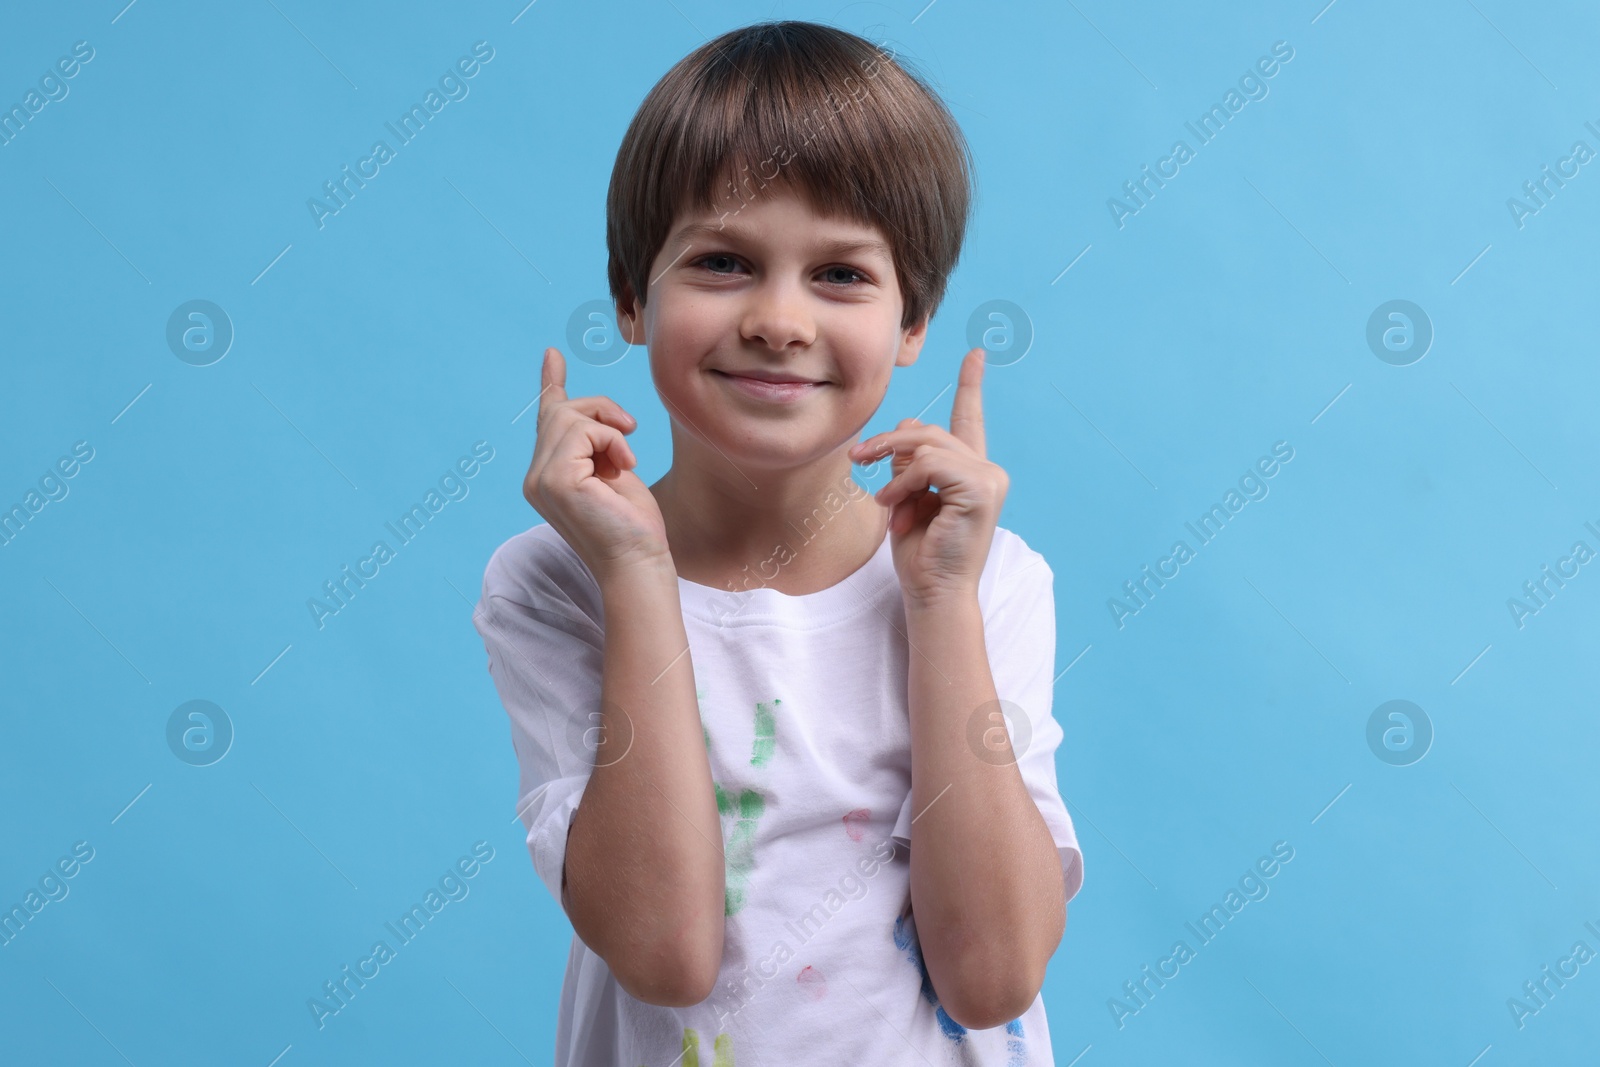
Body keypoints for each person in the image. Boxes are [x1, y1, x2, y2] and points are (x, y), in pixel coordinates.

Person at [472, 19, 1083, 1065]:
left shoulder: (988, 581)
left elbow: (991, 974)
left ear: (912, 322)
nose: (779, 319)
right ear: (631, 295)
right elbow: (665, 952)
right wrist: (634, 568)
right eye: (722, 261)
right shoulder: (555, 580)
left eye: (841, 275)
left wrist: (941, 604)